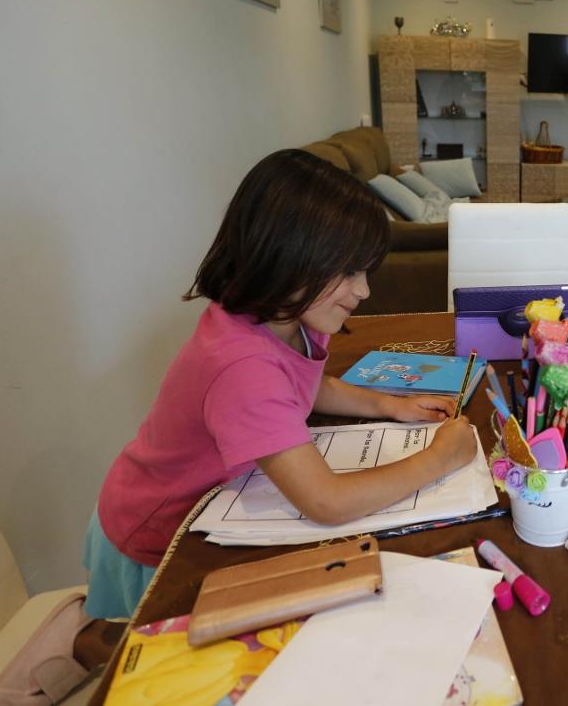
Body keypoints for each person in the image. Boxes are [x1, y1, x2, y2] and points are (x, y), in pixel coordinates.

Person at [85, 149, 479, 621]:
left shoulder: (288, 316)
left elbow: (307, 385)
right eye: (349, 272)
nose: (364, 291)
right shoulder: (242, 366)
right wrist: (439, 458)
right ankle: (76, 642)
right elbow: (326, 501)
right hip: (159, 533)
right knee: (131, 641)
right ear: (288, 254)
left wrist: (387, 405)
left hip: (208, 504)